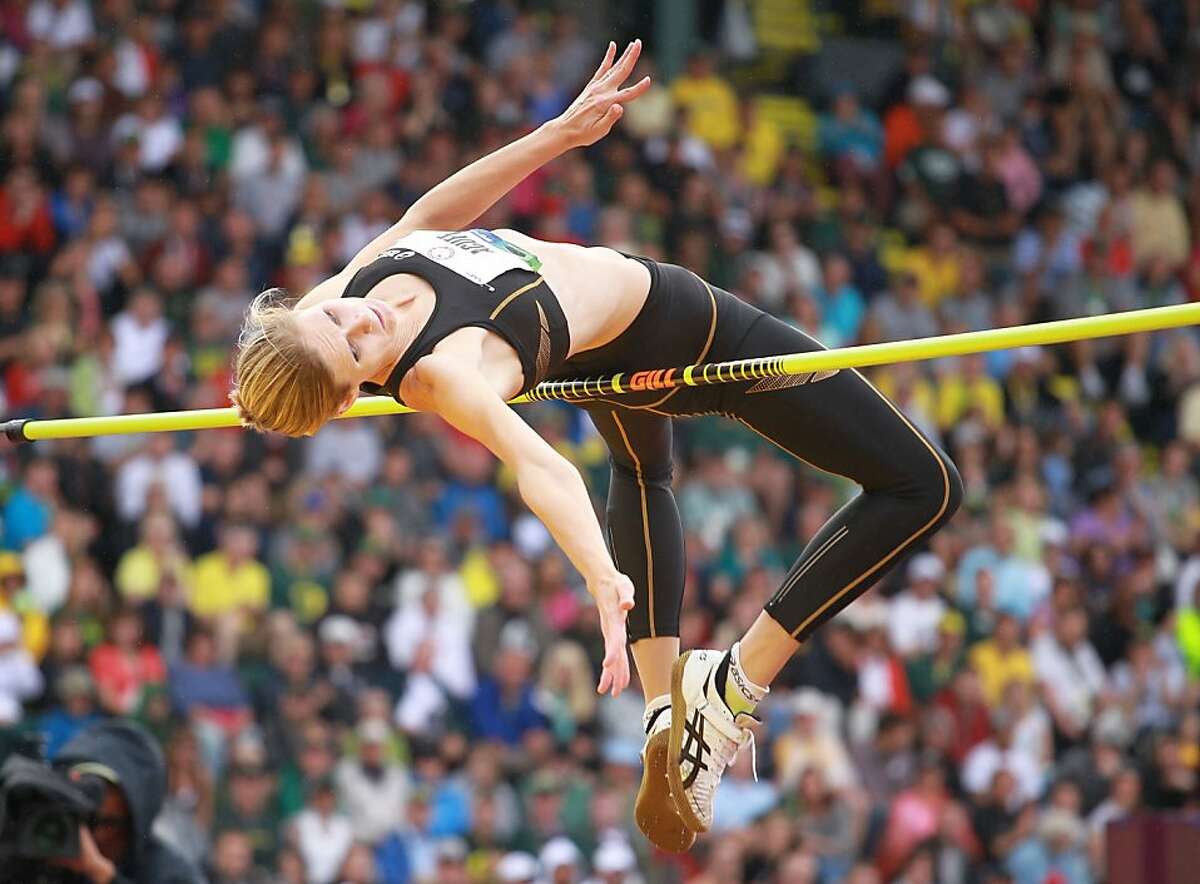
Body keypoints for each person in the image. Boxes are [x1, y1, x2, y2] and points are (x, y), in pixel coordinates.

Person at [229, 40, 961, 852]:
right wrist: (600, 580)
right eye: (355, 352)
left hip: (598, 358)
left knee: (643, 471)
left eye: (333, 317)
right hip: (683, 333)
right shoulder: (447, 370)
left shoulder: (340, 297)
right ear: (351, 393)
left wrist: (555, 138)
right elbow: (540, 466)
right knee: (924, 487)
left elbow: (423, 219)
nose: (359, 321)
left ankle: (667, 717)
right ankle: (735, 680)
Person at [52, 719, 205, 883]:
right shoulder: (44, 854)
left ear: (135, 822)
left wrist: (102, 874)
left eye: (106, 822)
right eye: (82, 817)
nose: (90, 835)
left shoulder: (171, 874)